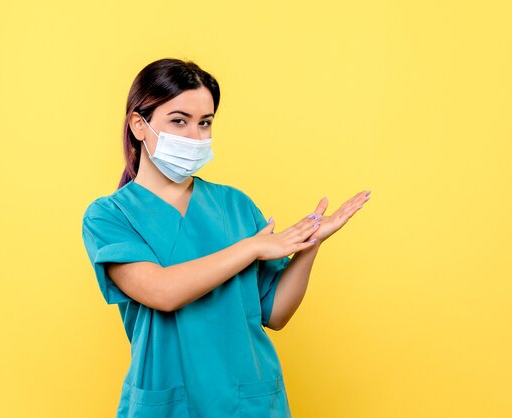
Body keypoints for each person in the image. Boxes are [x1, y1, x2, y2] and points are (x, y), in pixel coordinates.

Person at [81, 58, 371, 418]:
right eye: (178, 121)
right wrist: (251, 247)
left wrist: (309, 246)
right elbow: (162, 292)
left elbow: (275, 313)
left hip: (247, 402)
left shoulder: (234, 204)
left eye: (205, 123)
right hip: (169, 403)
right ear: (139, 125)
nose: (195, 136)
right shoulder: (110, 216)